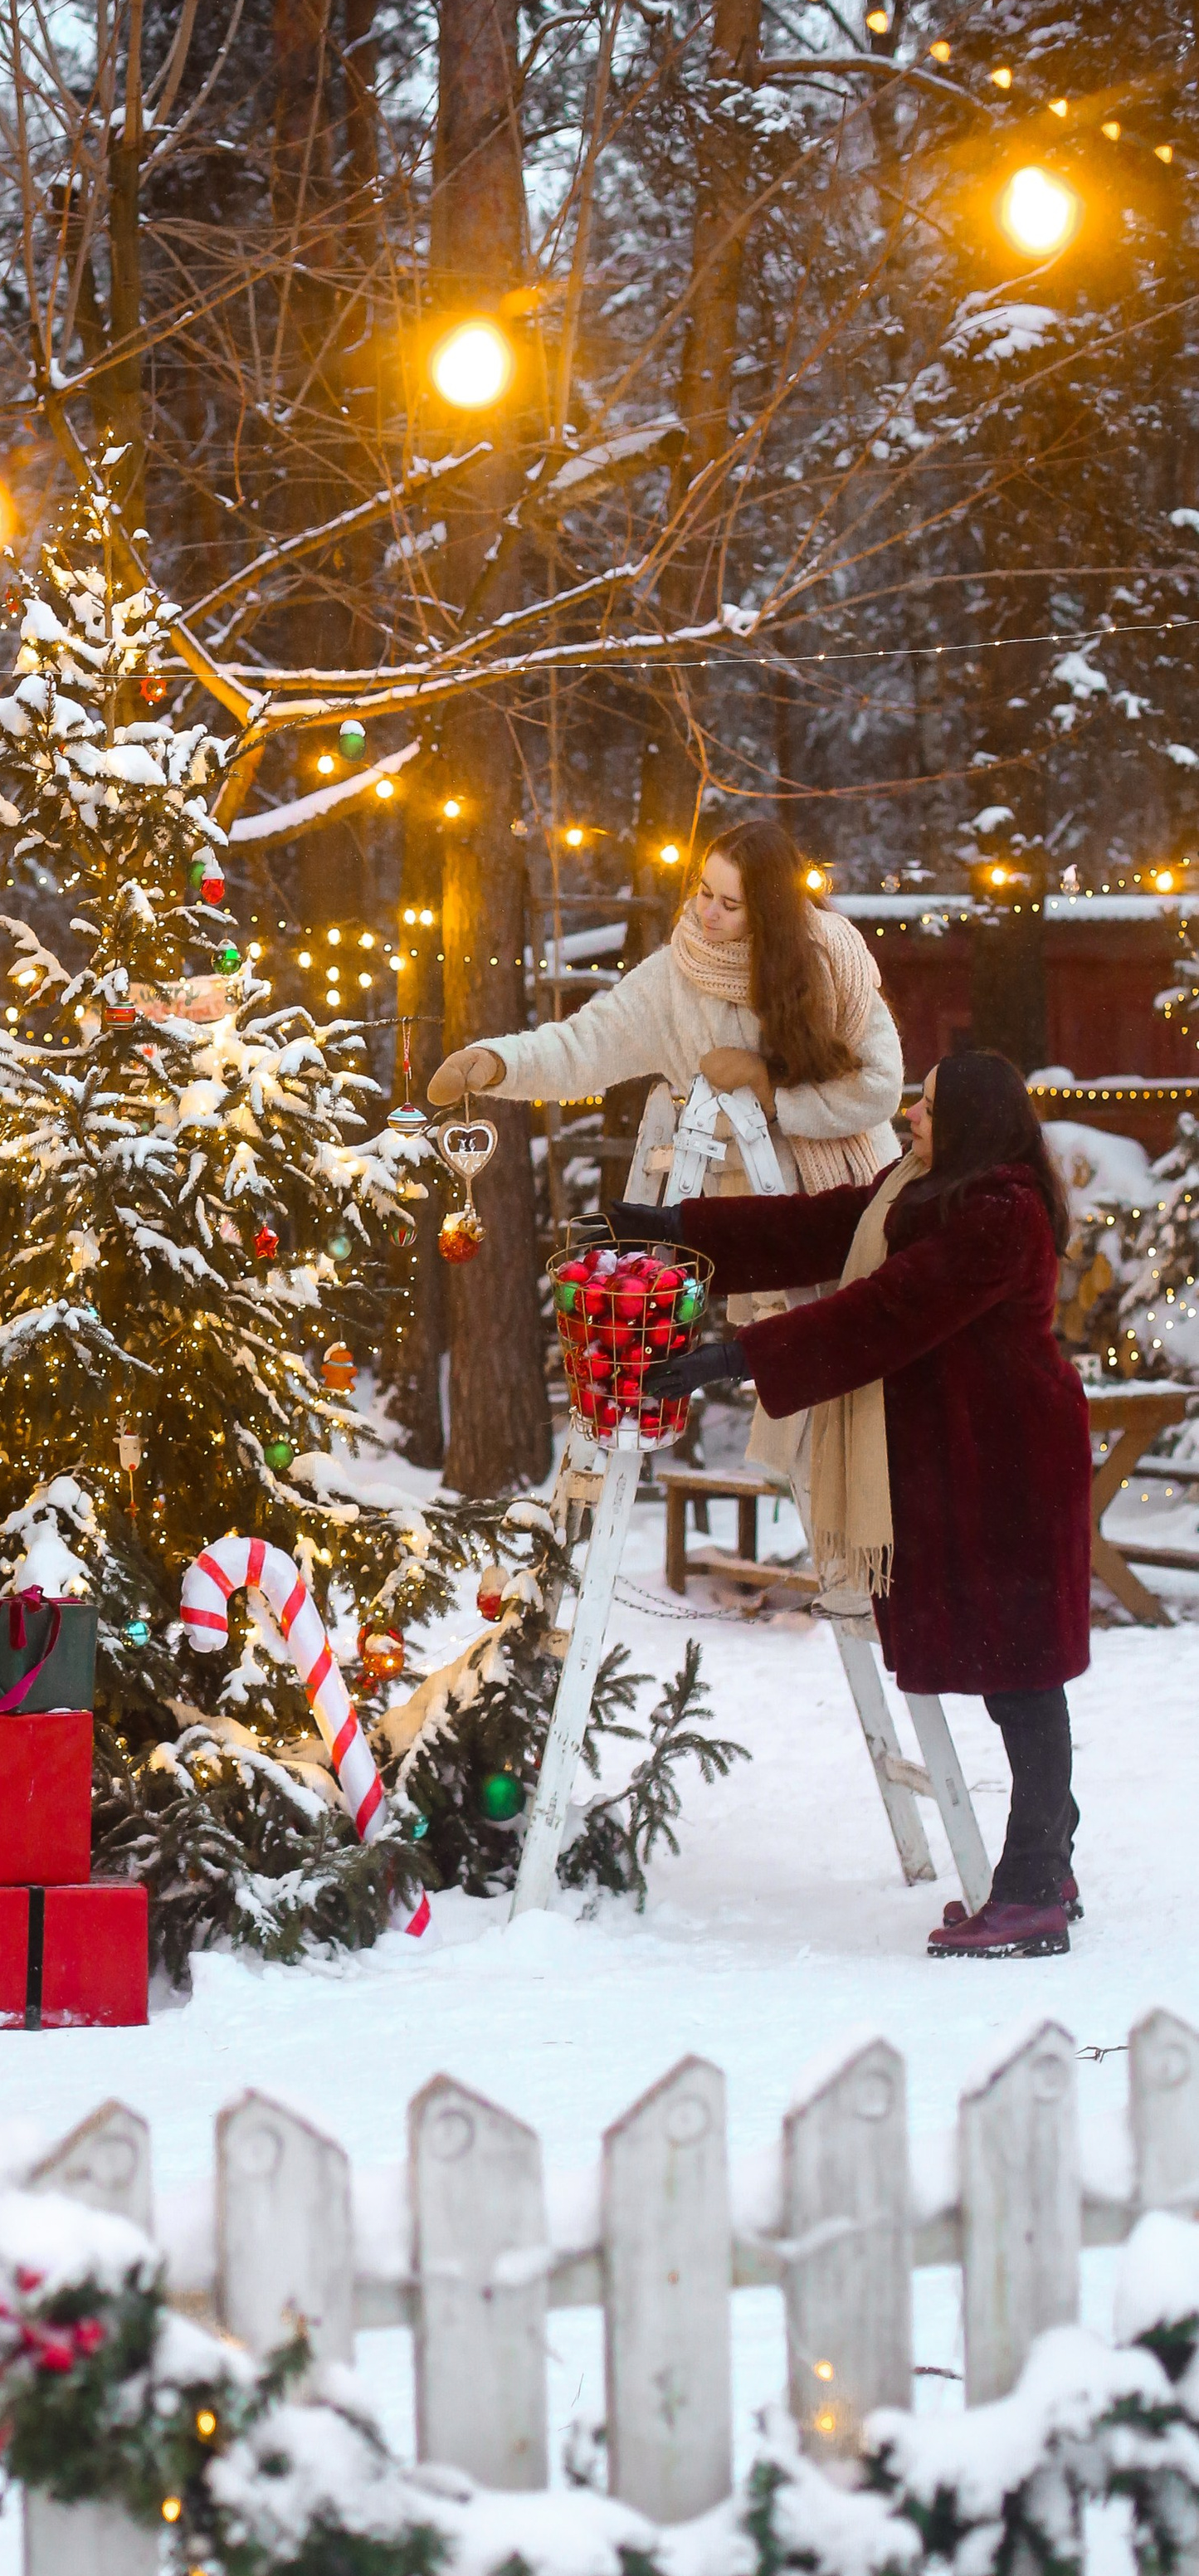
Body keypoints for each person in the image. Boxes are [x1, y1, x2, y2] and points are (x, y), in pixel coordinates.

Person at [626, 1050, 1092, 1960]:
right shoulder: (920, 1189)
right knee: (1014, 1674)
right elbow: (821, 1227)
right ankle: (1050, 1860)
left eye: (924, 1106)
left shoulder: (1001, 1214)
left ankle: (1036, 1885)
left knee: (1024, 1677)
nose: (911, 1117)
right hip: (965, 1462)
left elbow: (886, 1308)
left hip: (1011, 1469)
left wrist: (738, 1358)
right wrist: (675, 1227)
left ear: (967, 1121)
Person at [426, 817, 904, 1206]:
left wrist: (771, 1095)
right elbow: (584, 1047)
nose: (709, 913)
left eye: (730, 904)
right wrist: (496, 1062)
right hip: (759, 1225)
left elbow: (879, 1086)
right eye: (704, 892)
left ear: (768, 911)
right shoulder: (675, 978)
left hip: (860, 1199)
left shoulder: (832, 955)